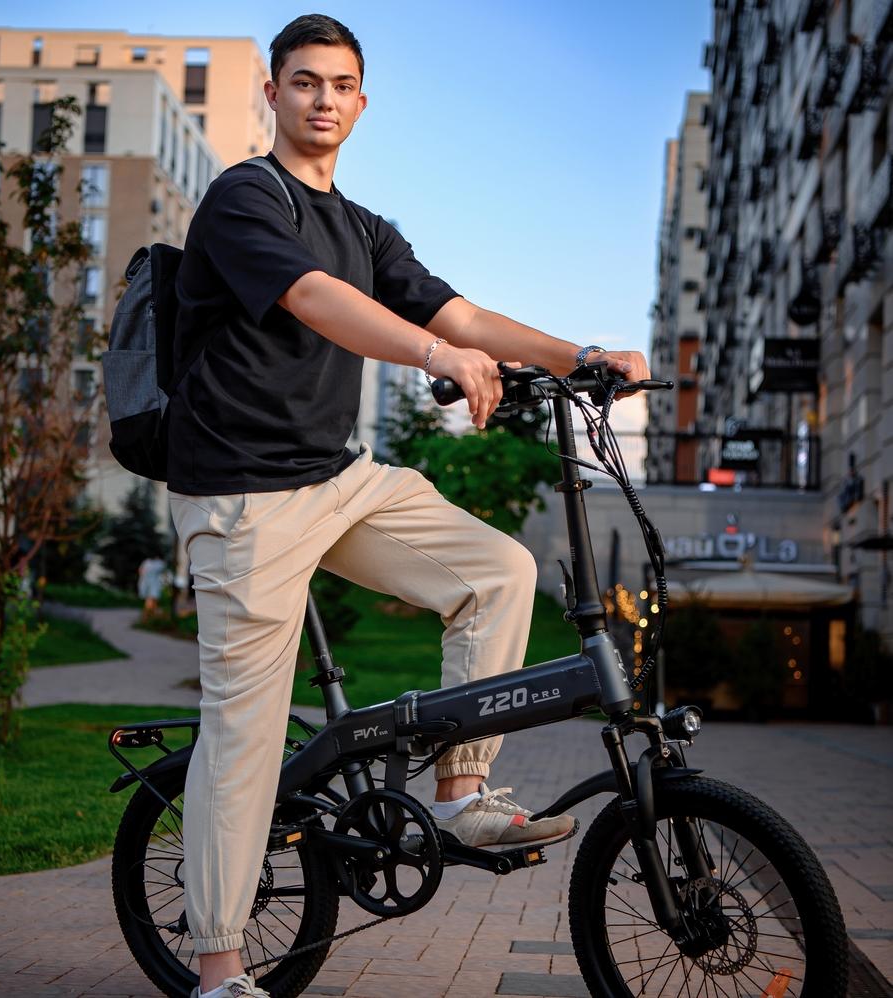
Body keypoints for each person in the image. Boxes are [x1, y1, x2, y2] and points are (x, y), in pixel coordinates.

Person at [167, 15, 650, 998]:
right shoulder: (243, 198)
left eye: (341, 85)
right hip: (242, 498)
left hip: (337, 479)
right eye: (305, 81)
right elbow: (313, 298)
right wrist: (436, 355)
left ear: (361, 102)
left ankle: (461, 791)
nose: (324, 99)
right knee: (244, 737)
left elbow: (459, 313)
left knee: (498, 569)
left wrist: (580, 356)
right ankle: (219, 967)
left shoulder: (362, 227)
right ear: (273, 92)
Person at [137, 555, 166, 621]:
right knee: (151, 600)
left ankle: (150, 617)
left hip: (146, 583)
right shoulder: (159, 563)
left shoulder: (147, 562)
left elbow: (140, 571)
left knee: (152, 601)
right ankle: (146, 617)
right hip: (153, 584)